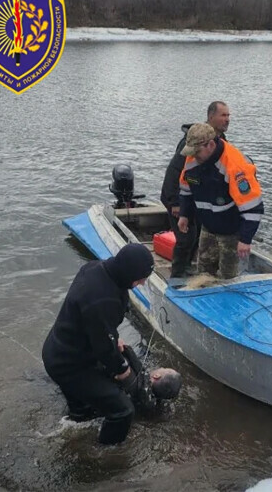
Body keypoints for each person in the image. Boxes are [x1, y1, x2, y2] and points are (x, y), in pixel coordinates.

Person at [41, 243, 154, 445]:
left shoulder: (94, 267)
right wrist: (122, 369)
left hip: (58, 350)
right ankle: (105, 456)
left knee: (85, 413)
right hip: (69, 366)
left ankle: (76, 434)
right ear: (128, 273)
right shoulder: (102, 299)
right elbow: (104, 348)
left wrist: (112, 336)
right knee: (123, 410)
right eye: (140, 279)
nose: (142, 283)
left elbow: (95, 324)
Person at [177, 123, 264, 279]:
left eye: (198, 152)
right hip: (208, 227)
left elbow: (253, 207)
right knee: (203, 271)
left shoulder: (235, 165)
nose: (194, 157)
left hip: (231, 231)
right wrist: (184, 214)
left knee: (228, 276)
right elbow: (186, 189)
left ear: (210, 144)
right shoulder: (193, 158)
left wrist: (245, 239)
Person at [160, 101, 231, 277]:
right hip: (179, 198)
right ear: (211, 117)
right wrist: (175, 203)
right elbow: (174, 172)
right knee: (186, 238)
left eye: (228, 115)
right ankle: (177, 276)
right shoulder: (193, 142)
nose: (227, 119)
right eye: (223, 115)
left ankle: (189, 267)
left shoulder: (220, 141)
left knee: (199, 234)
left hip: (198, 198)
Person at [118, 345, 182, 413]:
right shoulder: (152, 403)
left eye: (164, 369)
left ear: (156, 376)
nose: (162, 367)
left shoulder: (130, 377)